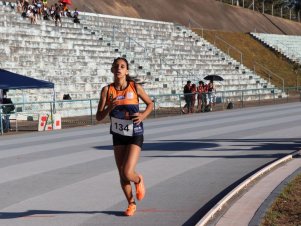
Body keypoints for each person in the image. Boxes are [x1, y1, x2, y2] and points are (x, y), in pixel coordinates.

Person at [96, 57, 153, 216]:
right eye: (116, 66)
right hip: (118, 134)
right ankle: (131, 203)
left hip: (135, 133)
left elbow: (150, 104)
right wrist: (109, 107)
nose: (119, 69)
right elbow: (99, 117)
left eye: (122, 66)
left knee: (128, 172)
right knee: (121, 173)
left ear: (126, 71)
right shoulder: (107, 90)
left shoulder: (135, 87)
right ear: (112, 70)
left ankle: (138, 180)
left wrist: (142, 116)